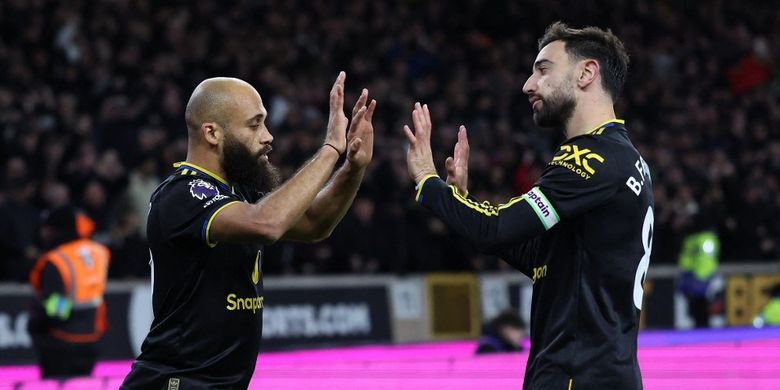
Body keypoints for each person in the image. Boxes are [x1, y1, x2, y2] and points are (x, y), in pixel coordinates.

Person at [404, 22, 652, 389]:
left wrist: (428, 180)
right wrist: (463, 201)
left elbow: (495, 230)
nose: (528, 84)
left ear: (586, 73)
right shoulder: (628, 160)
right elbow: (543, 259)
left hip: (574, 373)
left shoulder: (590, 157)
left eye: (543, 69)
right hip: (606, 371)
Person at [121, 72, 375, 389]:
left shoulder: (239, 193)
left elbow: (314, 224)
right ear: (212, 133)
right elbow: (266, 224)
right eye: (254, 125)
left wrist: (353, 168)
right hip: (175, 383)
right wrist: (329, 149)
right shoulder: (183, 195)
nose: (268, 136)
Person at [28, 206, 110, 378]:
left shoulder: (57, 260)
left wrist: (35, 323)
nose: (43, 233)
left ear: (55, 230)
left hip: (62, 341)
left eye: (47, 228)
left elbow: (57, 310)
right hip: (91, 337)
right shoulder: (98, 251)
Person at [677, 229, 720, 328]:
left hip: (700, 276)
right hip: (694, 276)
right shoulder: (694, 239)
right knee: (696, 305)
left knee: (701, 305)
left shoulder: (702, 239)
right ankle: (700, 325)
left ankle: (702, 325)